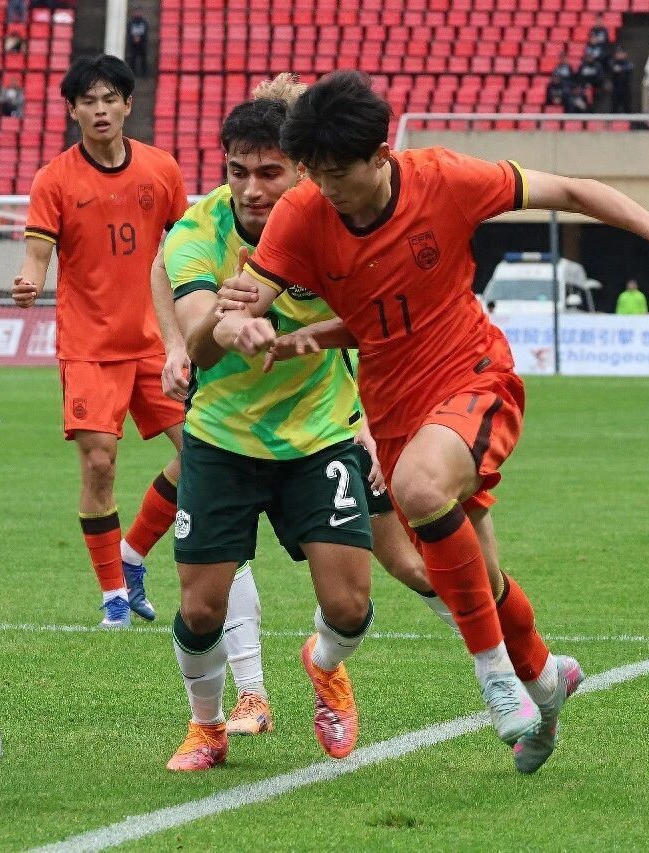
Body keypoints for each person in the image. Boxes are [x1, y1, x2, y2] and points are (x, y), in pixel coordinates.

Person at [214, 71, 649, 765]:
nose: (324, 188)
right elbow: (248, 306)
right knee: (477, 579)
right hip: (393, 403)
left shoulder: (446, 179)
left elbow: (573, 191)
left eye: (337, 173)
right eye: (313, 173)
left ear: (380, 155)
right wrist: (244, 326)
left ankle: (497, 678)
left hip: (472, 373)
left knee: (418, 489)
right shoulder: (303, 213)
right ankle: (545, 682)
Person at [154, 76, 459, 771]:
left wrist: (369, 420)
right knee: (200, 610)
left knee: (350, 605)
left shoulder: (337, 221)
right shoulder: (199, 230)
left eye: (269, 173)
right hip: (223, 437)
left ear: (301, 169)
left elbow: (376, 327)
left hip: (320, 433)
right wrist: (221, 329)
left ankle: (324, 665)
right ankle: (206, 726)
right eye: (238, 171)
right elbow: (197, 324)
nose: (251, 189)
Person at [10, 55, 189, 629]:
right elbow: (37, 254)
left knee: (205, 455)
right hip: (89, 347)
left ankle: (133, 554)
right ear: (72, 110)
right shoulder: (54, 179)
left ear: (128, 104)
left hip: (156, 342)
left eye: (110, 98)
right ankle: (113, 594)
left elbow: (187, 246)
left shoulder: (162, 169)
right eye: (88, 101)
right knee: (99, 464)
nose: (100, 109)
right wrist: (29, 281)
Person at [608, 47, 633, 114]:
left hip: (626, 88)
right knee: (614, 108)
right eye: (618, 53)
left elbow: (629, 68)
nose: (619, 55)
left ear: (625, 54)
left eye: (621, 53)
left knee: (627, 107)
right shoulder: (612, 62)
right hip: (616, 88)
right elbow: (612, 69)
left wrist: (621, 69)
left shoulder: (628, 63)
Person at [127, 8, 149, 77]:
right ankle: (132, 73)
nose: (137, 14)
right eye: (136, 12)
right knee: (132, 59)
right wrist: (133, 39)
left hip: (142, 44)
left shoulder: (144, 23)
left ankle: (144, 73)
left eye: (139, 12)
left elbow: (145, 33)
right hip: (133, 44)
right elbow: (129, 33)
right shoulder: (131, 23)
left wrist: (140, 38)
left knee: (143, 59)